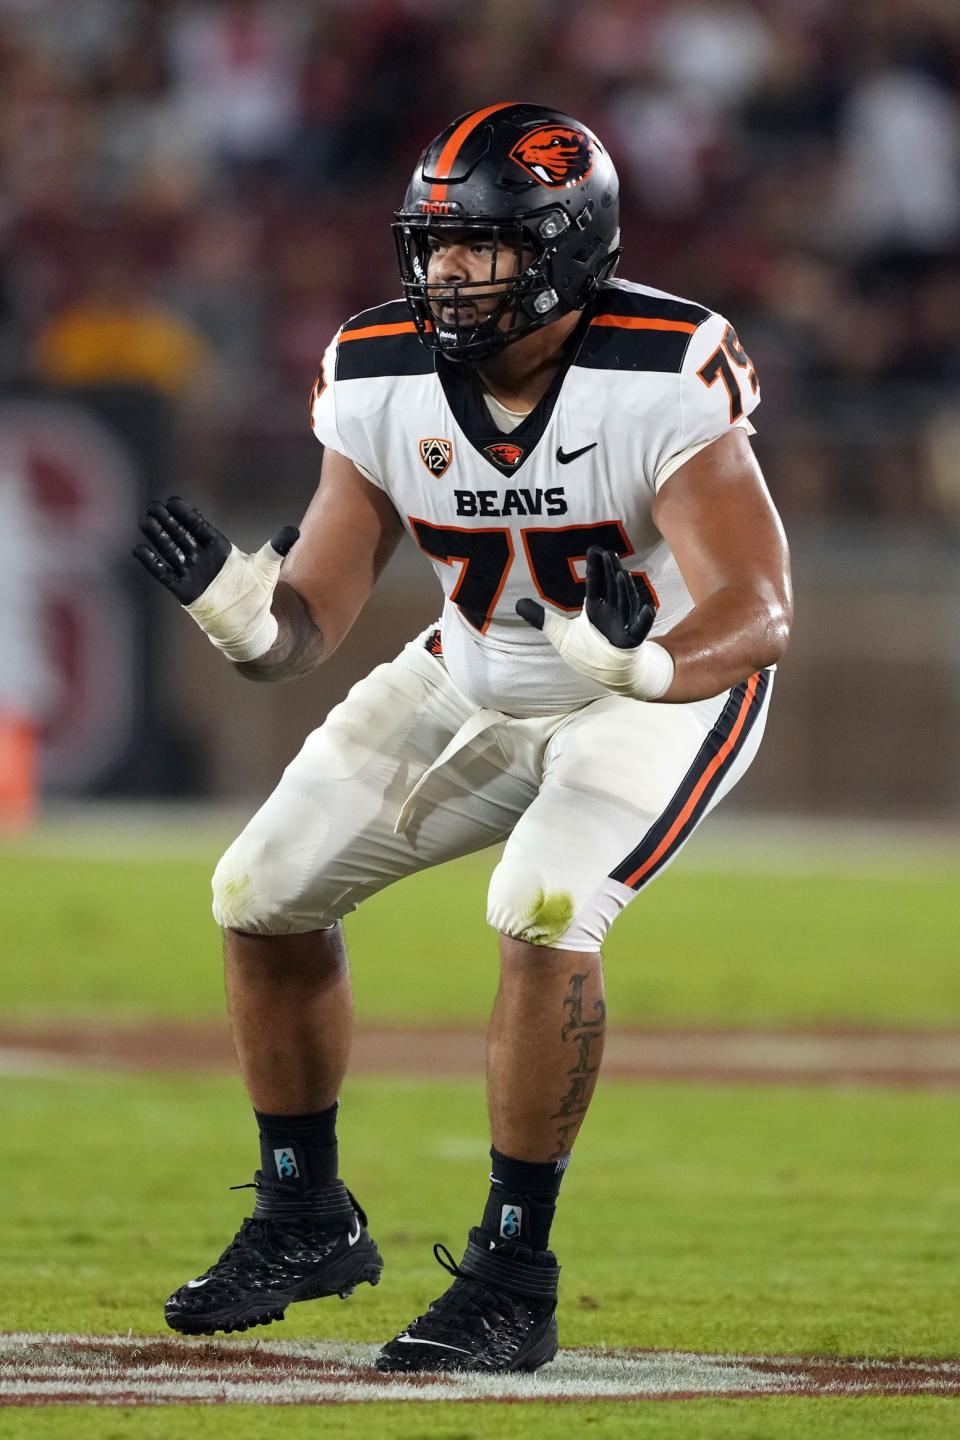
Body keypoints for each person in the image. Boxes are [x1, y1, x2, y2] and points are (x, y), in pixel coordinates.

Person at [134, 102, 792, 1374]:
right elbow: (306, 624)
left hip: (652, 694)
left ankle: (510, 1273)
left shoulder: (660, 366)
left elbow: (760, 611)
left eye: (478, 248)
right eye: (430, 246)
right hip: (470, 671)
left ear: (561, 246)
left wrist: (644, 659)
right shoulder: (377, 370)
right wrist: (238, 618)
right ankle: (303, 1218)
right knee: (257, 890)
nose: (444, 273)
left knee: (545, 905)